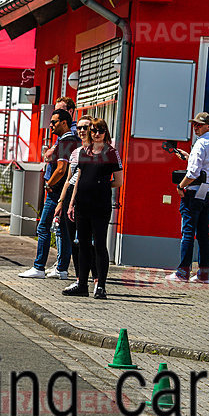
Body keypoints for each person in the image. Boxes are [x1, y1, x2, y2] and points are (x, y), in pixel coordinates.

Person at [63, 118, 123, 299]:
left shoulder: (111, 153)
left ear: (106, 133)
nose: (97, 134)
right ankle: (82, 284)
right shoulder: (84, 152)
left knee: (99, 244)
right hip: (82, 204)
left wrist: (101, 186)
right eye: (94, 130)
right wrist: (71, 203)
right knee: (82, 244)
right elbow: (78, 177)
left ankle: (101, 286)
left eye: (101, 130)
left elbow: (118, 181)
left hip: (100, 205)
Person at [19, 109, 80, 278]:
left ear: (64, 123)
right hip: (66, 193)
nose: (51, 125)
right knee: (63, 231)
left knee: (44, 227)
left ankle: (39, 267)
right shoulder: (71, 141)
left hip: (57, 193)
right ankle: (61, 269)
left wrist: (48, 183)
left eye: (54, 122)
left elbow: (61, 169)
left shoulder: (66, 142)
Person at [165, 112, 209, 283]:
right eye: (194, 124)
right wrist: (189, 158)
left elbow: (193, 173)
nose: (195, 127)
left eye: (199, 124)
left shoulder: (199, 144)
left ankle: (182, 272)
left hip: (194, 192)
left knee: (188, 231)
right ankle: (204, 274)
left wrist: (180, 186)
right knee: (203, 232)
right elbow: (206, 169)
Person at [54, 115, 98, 283]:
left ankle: (95, 277)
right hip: (71, 194)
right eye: (78, 127)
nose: (81, 131)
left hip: (89, 196)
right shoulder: (75, 152)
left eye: (85, 128)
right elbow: (68, 179)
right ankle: (80, 278)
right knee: (73, 240)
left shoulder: (99, 151)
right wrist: (60, 202)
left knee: (90, 241)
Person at [44, 97, 77, 277]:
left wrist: (49, 185)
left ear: (69, 113)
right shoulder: (63, 137)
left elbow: (63, 167)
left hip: (59, 187)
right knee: (59, 229)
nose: (53, 121)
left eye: (61, 111)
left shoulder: (70, 135)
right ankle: (60, 265)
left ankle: (60, 267)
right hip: (58, 186)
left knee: (55, 228)